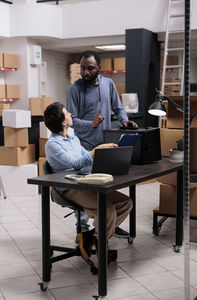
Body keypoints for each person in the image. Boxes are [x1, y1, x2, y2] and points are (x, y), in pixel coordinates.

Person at [44, 102, 133, 260]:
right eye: (68, 113)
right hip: (68, 187)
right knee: (107, 209)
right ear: (63, 122)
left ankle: (90, 237)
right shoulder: (52, 145)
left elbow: (85, 157)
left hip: (85, 181)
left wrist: (105, 154)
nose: (71, 114)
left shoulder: (73, 138)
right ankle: (100, 242)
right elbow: (75, 163)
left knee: (126, 202)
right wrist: (95, 151)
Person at [67, 50, 137, 237]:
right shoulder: (75, 89)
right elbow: (72, 120)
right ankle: (82, 230)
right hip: (84, 147)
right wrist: (91, 123)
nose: (86, 72)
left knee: (108, 186)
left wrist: (124, 120)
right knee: (86, 190)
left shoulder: (108, 84)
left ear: (99, 68)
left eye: (90, 68)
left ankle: (110, 222)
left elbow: (118, 107)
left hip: (106, 145)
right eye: (83, 68)